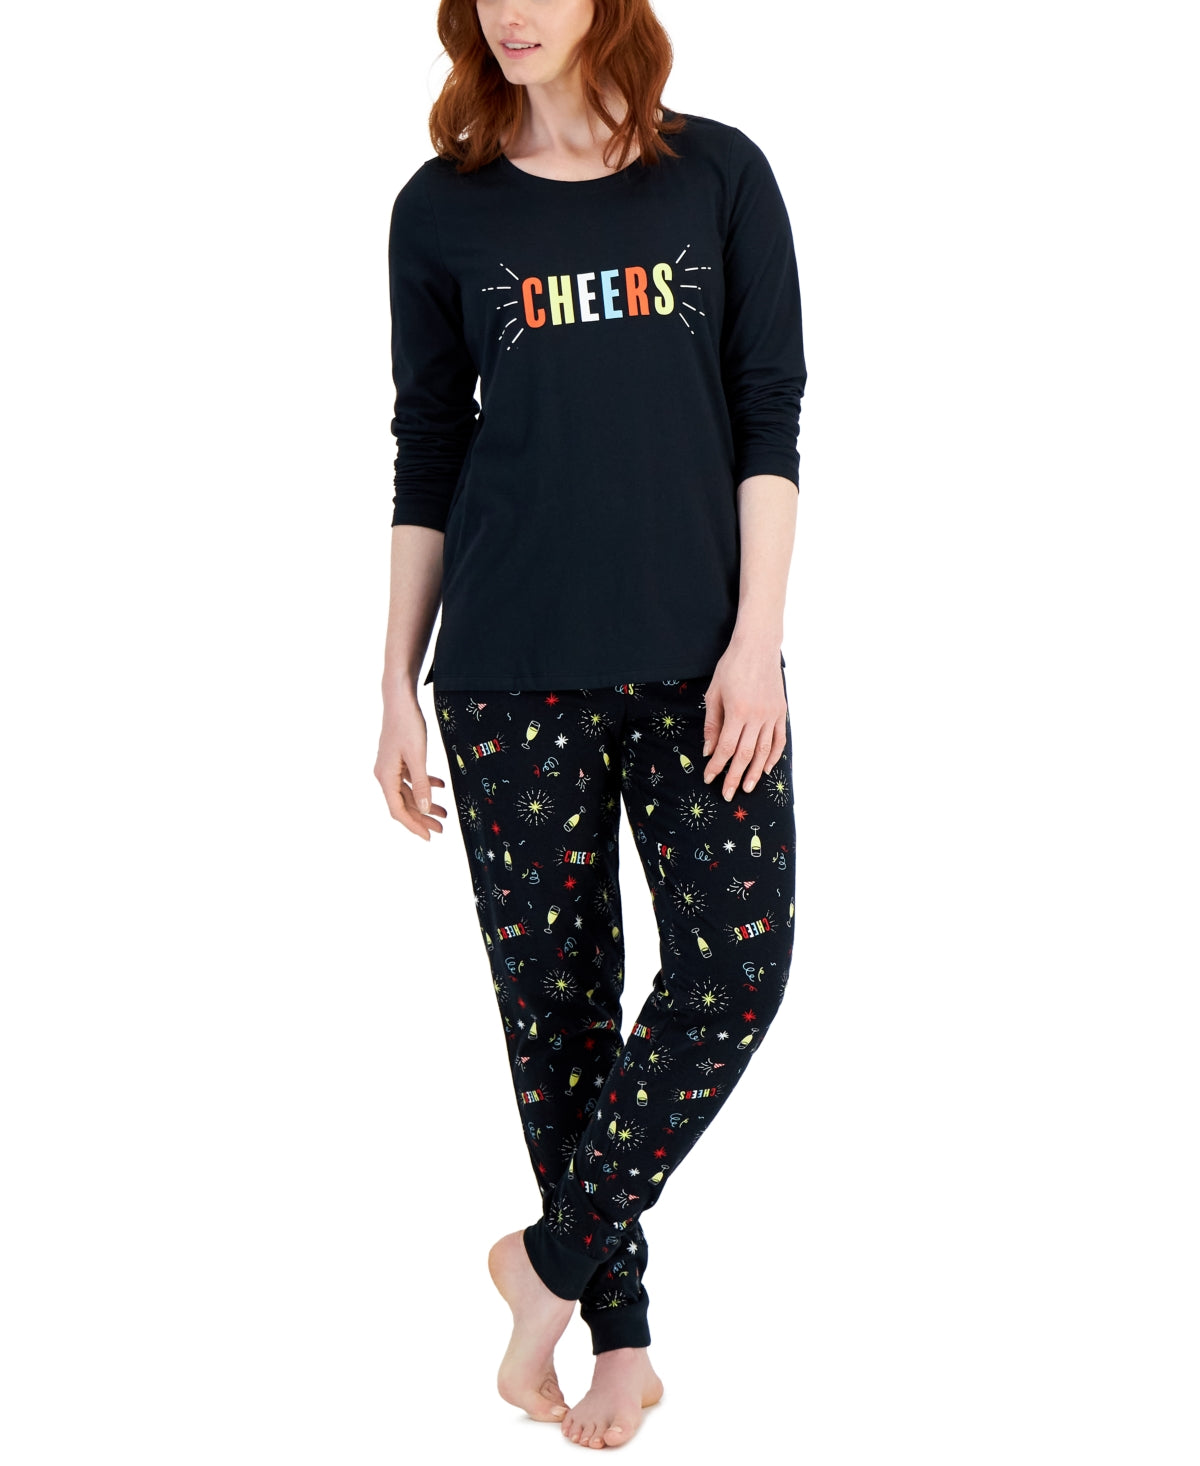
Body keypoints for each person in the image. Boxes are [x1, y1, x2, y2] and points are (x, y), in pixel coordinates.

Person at [374, 0, 807, 1449]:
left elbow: (768, 416)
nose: (514, 10)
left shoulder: (719, 175)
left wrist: (758, 644)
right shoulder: (439, 210)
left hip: (703, 669)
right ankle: (619, 1345)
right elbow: (428, 448)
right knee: (558, 1020)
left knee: (736, 969)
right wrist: (393, 679)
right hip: (508, 670)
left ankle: (544, 1266)